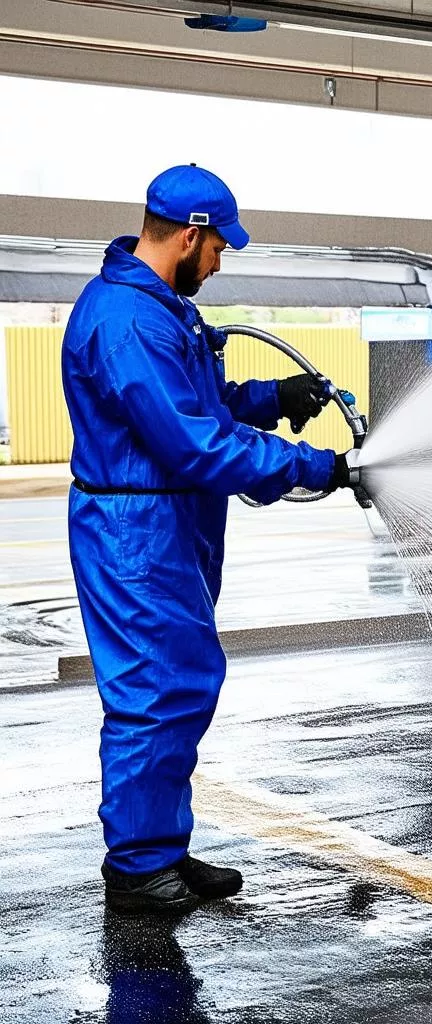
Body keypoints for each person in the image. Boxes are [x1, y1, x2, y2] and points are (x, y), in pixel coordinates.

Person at [61, 164, 350, 912]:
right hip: (137, 532)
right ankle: (135, 869)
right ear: (191, 234)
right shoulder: (128, 321)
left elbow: (203, 409)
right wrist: (319, 467)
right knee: (154, 695)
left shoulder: (156, 311)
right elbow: (195, 446)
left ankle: (161, 847)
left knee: (180, 687)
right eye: (220, 247)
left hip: (164, 525)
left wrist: (271, 399)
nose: (221, 262)